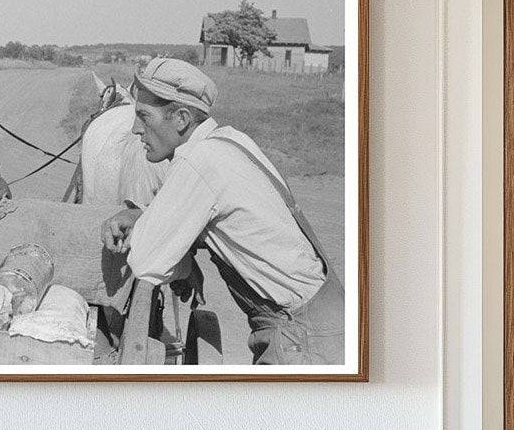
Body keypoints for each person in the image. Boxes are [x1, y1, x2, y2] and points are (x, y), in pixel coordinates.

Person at [100, 57, 345, 365]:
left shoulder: (198, 161)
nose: (135, 129)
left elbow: (147, 260)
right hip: (328, 317)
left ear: (181, 118)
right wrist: (141, 215)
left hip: (301, 338)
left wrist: (168, 249)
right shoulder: (230, 140)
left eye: (144, 116)